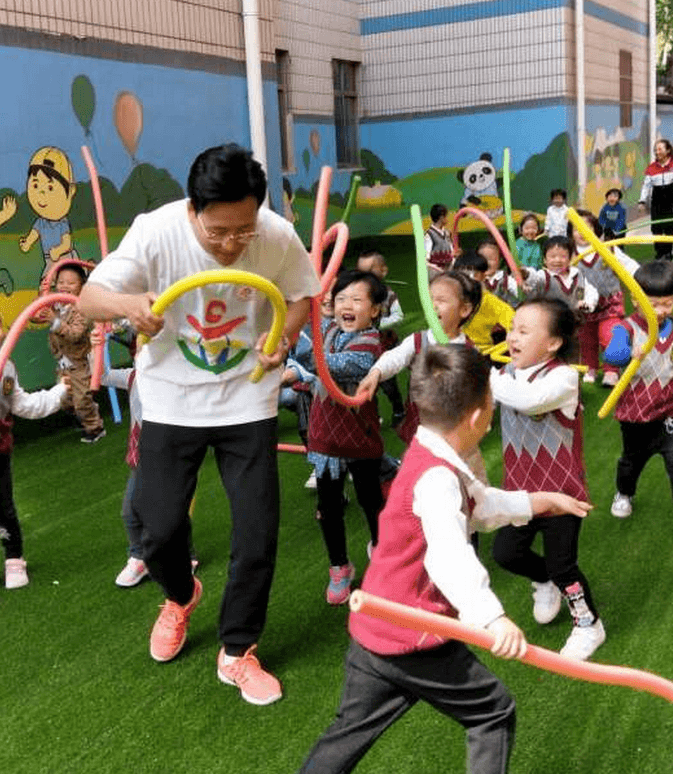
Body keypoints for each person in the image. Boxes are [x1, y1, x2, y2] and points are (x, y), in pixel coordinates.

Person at [78, 144, 320, 706]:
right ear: (193, 210)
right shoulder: (156, 230)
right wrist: (128, 304)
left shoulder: (276, 235)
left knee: (256, 532)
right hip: (170, 398)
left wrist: (282, 337)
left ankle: (238, 650)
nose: (233, 244)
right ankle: (181, 596)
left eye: (244, 230)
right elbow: (89, 298)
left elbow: (302, 294)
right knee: (156, 527)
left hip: (247, 395)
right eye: (218, 233)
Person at [297, 344, 591, 774]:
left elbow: (478, 505)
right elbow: (448, 554)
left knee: (348, 732)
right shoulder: (435, 476)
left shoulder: (429, 452)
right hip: (414, 635)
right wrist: (491, 617)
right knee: (492, 712)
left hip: (375, 632)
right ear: (477, 416)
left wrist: (537, 501)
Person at [491, 298, 606, 661]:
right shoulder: (505, 375)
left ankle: (588, 624)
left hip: (562, 495)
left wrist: (484, 376)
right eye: (512, 329)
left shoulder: (564, 377)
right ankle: (545, 582)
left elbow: (530, 401)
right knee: (506, 553)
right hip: (521, 494)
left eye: (524, 331)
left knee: (563, 564)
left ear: (553, 343)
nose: (513, 337)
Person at [302, 269, 386, 605]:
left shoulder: (371, 341)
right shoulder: (330, 330)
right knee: (328, 505)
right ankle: (339, 566)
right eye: (340, 299)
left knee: (370, 500)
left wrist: (303, 348)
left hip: (359, 437)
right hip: (325, 439)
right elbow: (308, 344)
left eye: (356, 299)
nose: (345, 305)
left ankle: (383, 555)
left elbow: (338, 365)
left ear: (375, 310)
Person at [0, 317, 70, 589]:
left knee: (3, 507)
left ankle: (14, 558)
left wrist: (60, 391)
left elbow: (25, 405)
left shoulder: (7, 368)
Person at [602, 260, 673, 519]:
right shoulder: (627, 328)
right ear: (635, 298)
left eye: (667, 303)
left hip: (669, 414)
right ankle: (624, 492)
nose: (661, 311)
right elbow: (613, 353)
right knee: (631, 462)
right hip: (637, 416)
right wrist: (628, 353)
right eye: (653, 304)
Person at [572, 209, 638, 387]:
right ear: (570, 233)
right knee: (587, 339)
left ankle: (611, 370)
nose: (583, 232)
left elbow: (628, 265)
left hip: (610, 303)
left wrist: (641, 278)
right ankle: (591, 367)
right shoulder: (570, 255)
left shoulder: (607, 248)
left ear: (595, 229)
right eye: (577, 228)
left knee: (609, 334)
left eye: (587, 227)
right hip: (584, 305)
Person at [45, 264, 105, 443]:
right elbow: (38, 313)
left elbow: (75, 334)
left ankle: (95, 428)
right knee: (64, 398)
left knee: (81, 400)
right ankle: (82, 413)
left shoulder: (82, 308)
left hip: (79, 362)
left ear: (81, 287)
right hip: (63, 362)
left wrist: (55, 322)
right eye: (61, 282)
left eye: (71, 283)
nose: (64, 286)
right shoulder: (55, 306)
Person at [356, 250, 405, 426]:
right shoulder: (358, 294)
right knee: (365, 383)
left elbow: (399, 316)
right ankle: (372, 416)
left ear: (383, 271)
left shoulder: (388, 294)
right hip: (362, 346)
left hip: (384, 347)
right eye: (361, 272)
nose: (365, 276)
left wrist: (378, 324)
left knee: (388, 383)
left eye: (370, 271)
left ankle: (399, 409)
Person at [18, 147, 79, 281]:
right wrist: (27, 243)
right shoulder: (40, 222)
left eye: (50, 188)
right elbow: (34, 234)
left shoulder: (62, 222)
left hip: (66, 259)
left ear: (71, 191)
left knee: (67, 284)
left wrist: (58, 250)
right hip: (49, 260)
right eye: (35, 186)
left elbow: (67, 243)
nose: (41, 194)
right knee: (45, 286)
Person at [453, 251, 515, 359]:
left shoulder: (490, 301)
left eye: (473, 274)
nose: (467, 279)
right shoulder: (451, 298)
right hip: (454, 349)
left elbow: (513, 321)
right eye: (462, 274)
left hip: (482, 353)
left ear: (484, 275)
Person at [521, 235, 598, 316]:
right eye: (553, 256)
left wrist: (586, 303)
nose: (557, 260)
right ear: (544, 260)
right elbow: (535, 279)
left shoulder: (577, 275)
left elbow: (587, 291)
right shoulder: (545, 276)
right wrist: (526, 274)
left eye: (563, 256)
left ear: (570, 259)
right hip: (551, 322)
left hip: (575, 321)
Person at [639, 138, 673, 259]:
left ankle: (669, 253)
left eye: (660, 149)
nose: (657, 152)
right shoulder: (651, 168)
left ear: (668, 150)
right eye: (655, 150)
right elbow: (646, 186)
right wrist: (642, 201)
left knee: (670, 227)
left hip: (671, 198)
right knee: (656, 228)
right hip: (657, 199)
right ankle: (660, 253)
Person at [478, 236, 519, 307]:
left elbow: (519, 291)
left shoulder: (505, 279)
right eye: (483, 259)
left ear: (499, 261)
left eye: (492, 259)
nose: (487, 263)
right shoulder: (475, 278)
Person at [424, 203, 454, 273]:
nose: (447, 219)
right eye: (446, 216)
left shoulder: (447, 233)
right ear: (441, 217)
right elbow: (425, 261)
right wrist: (437, 269)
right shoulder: (429, 235)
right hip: (436, 274)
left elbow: (451, 253)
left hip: (448, 272)